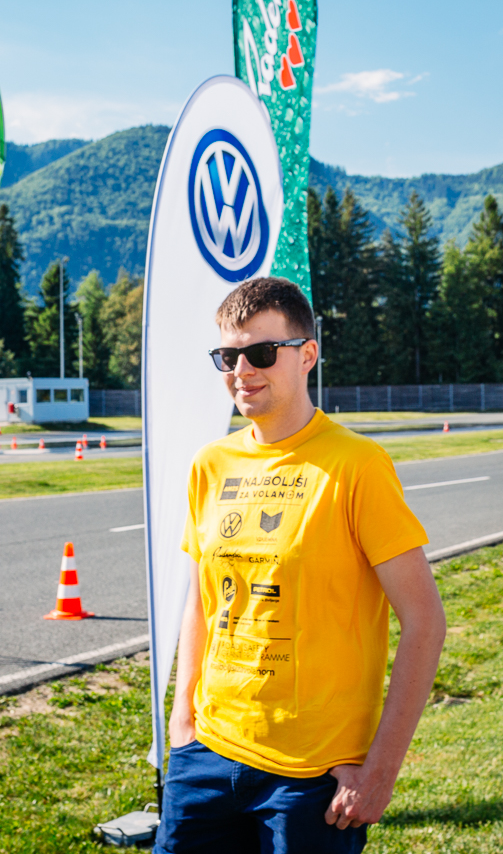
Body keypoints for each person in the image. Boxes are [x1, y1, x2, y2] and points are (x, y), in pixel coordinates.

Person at [156, 276, 447, 854]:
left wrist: (381, 769)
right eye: (228, 357)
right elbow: (202, 603)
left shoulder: (356, 465)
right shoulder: (210, 464)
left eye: (262, 353)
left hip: (312, 777)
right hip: (206, 754)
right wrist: (182, 719)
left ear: (307, 354)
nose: (242, 370)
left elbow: (424, 622)